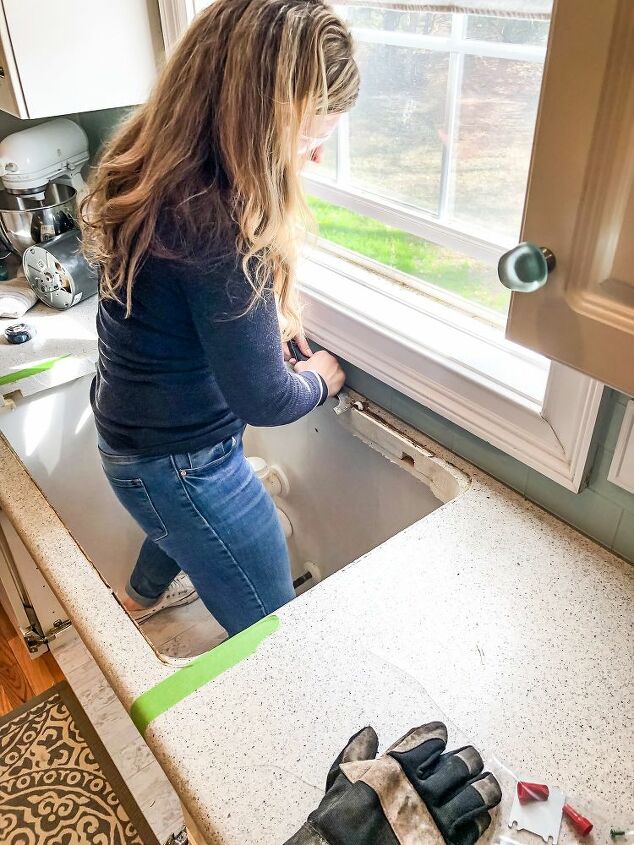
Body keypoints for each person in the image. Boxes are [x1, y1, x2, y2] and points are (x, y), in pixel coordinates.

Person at [80, 0, 359, 637]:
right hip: (181, 461)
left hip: (132, 431)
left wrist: (260, 327)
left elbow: (190, 309)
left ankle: (138, 599)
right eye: (309, 139)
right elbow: (264, 397)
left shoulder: (156, 163)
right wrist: (321, 376)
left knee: (173, 521)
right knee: (272, 635)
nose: (312, 160)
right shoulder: (224, 226)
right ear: (259, 123)